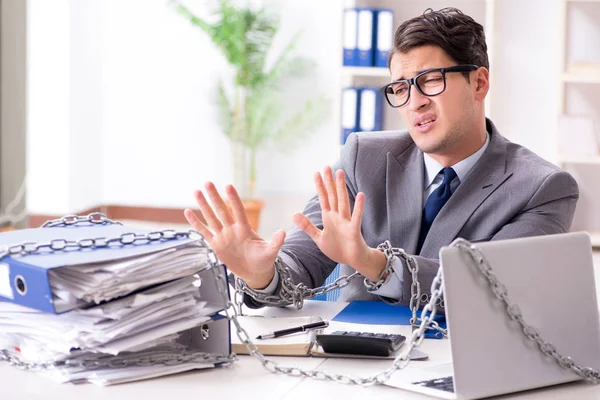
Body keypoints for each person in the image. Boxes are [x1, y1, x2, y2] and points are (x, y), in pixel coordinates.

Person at [184, 8, 579, 309]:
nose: (415, 102)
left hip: (464, 371)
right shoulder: (363, 157)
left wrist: (375, 264)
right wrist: (261, 274)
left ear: (479, 82)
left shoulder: (542, 188)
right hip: (356, 370)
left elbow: (492, 290)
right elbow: (299, 267)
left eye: (430, 80)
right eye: (401, 88)